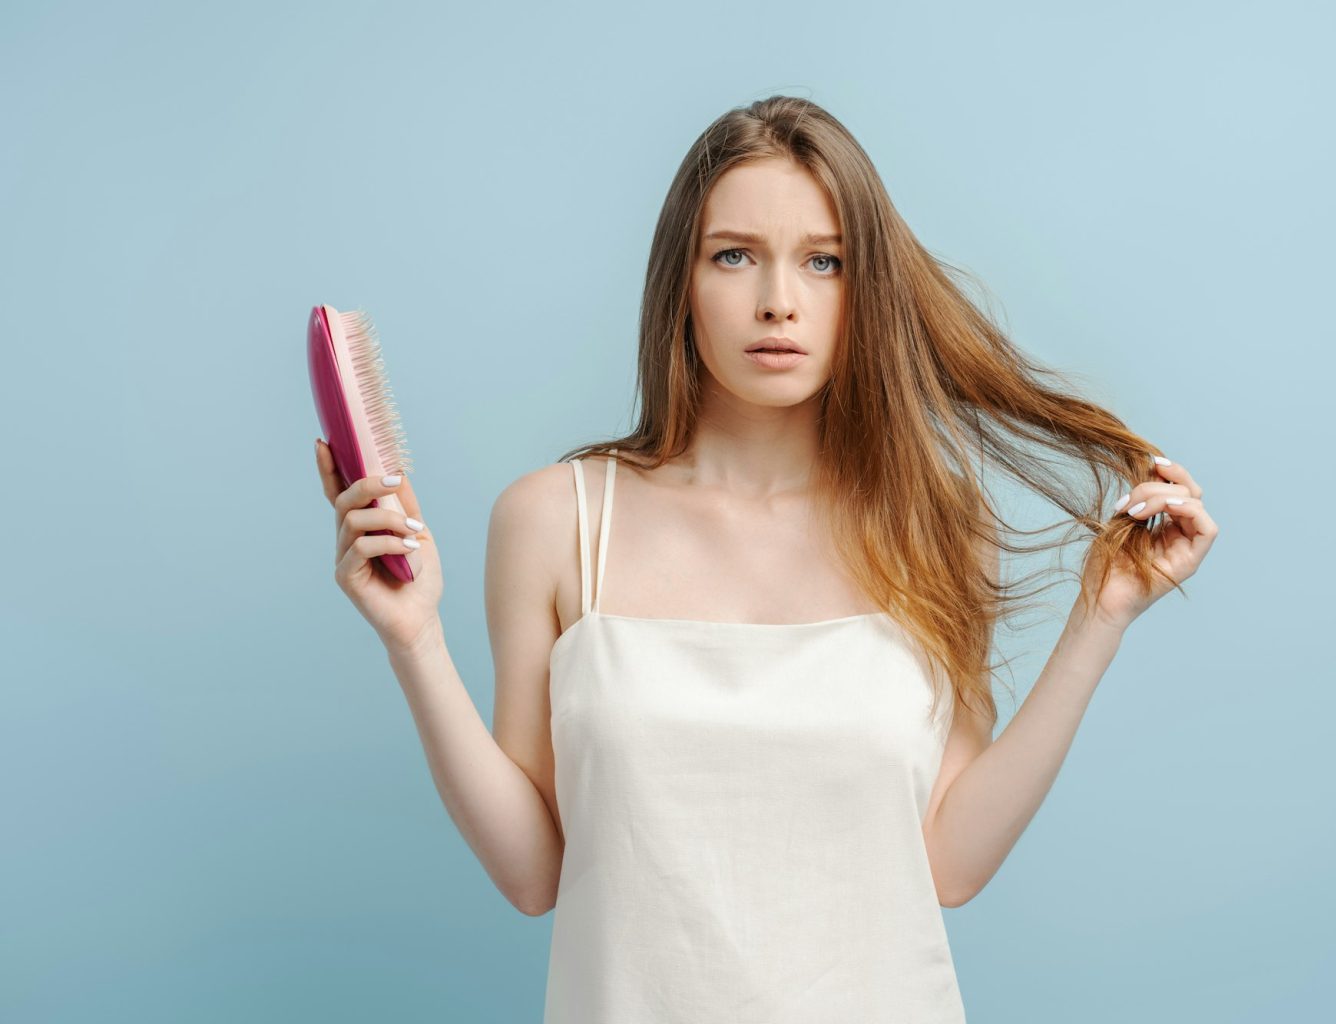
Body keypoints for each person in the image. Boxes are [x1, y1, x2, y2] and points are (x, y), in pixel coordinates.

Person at [313, 95, 1219, 1023]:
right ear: (682, 282)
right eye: (735, 255)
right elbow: (534, 873)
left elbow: (950, 863)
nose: (778, 299)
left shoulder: (937, 526)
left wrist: (1099, 622)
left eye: (824, 262)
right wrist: (414, 642)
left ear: (864, 292)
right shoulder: (555, 519)